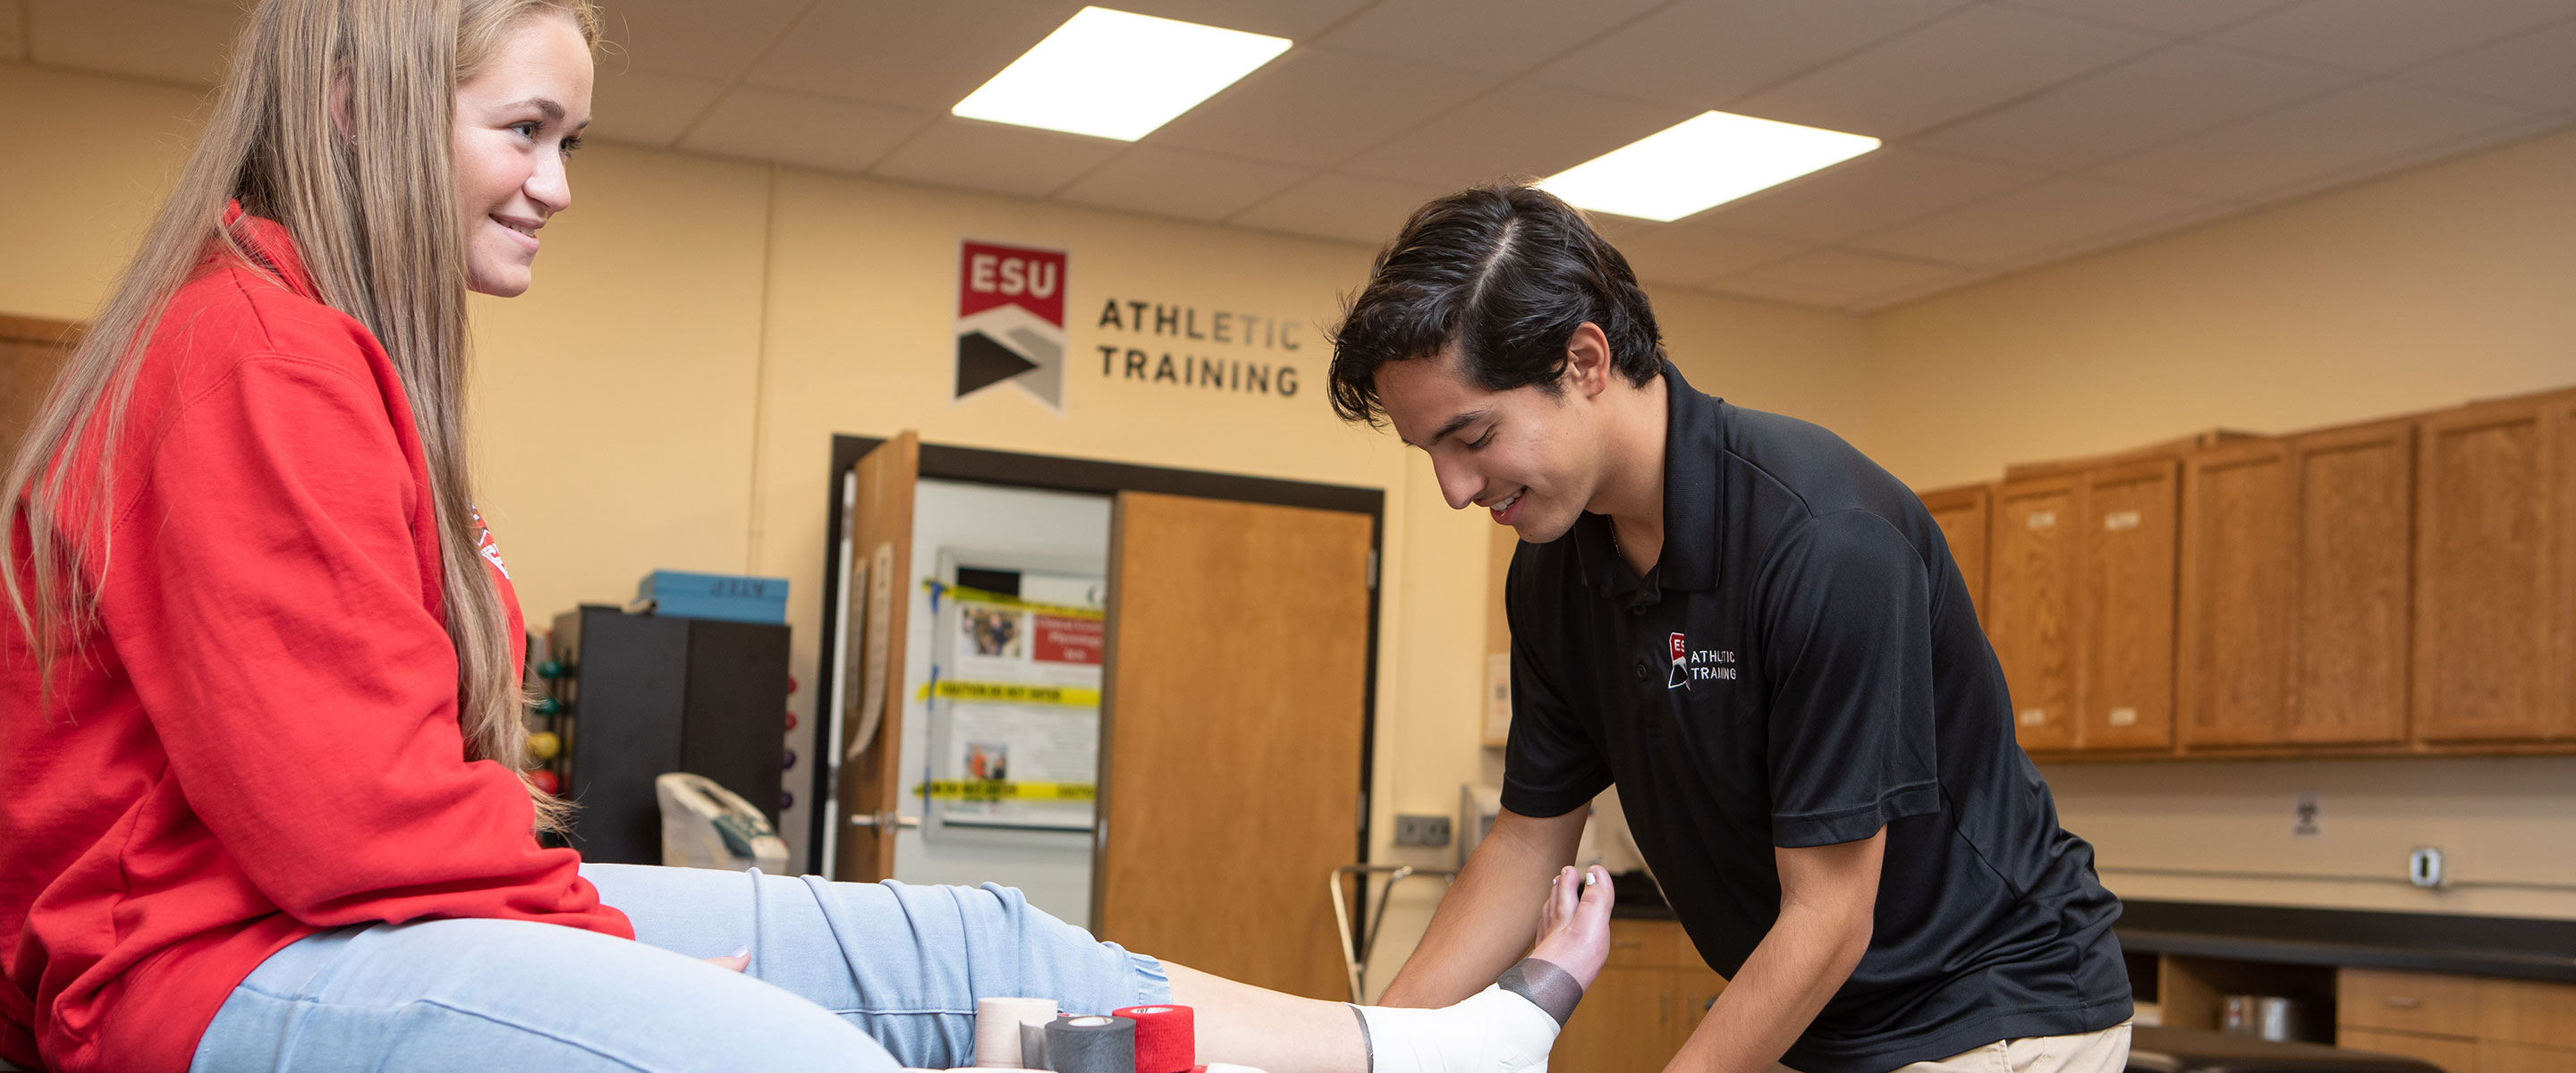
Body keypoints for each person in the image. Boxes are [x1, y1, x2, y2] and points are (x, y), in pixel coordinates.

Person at [0, 4, 1613, 1071]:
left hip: (348, 917)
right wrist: (659, 961)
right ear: (362, 108)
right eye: (525, 131)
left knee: (970, 941)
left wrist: (611, 931)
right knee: (813, 1058)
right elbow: (354, 831)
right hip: (209, 975)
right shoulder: (250, 351)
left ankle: (1421, 1055)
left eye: (571, 142)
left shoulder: (329, 355)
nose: (556, 185)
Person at [1324, 185, 2133, 1073]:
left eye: (1471, 436)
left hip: (1991, 1005)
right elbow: (1527, 844)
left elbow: (1829, 916)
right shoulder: (1556, 567)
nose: (1453, 487)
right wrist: (1376, 1051)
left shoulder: (1825, 541)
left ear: (1585, 361)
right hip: (1824, 1010)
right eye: (1428, 452)